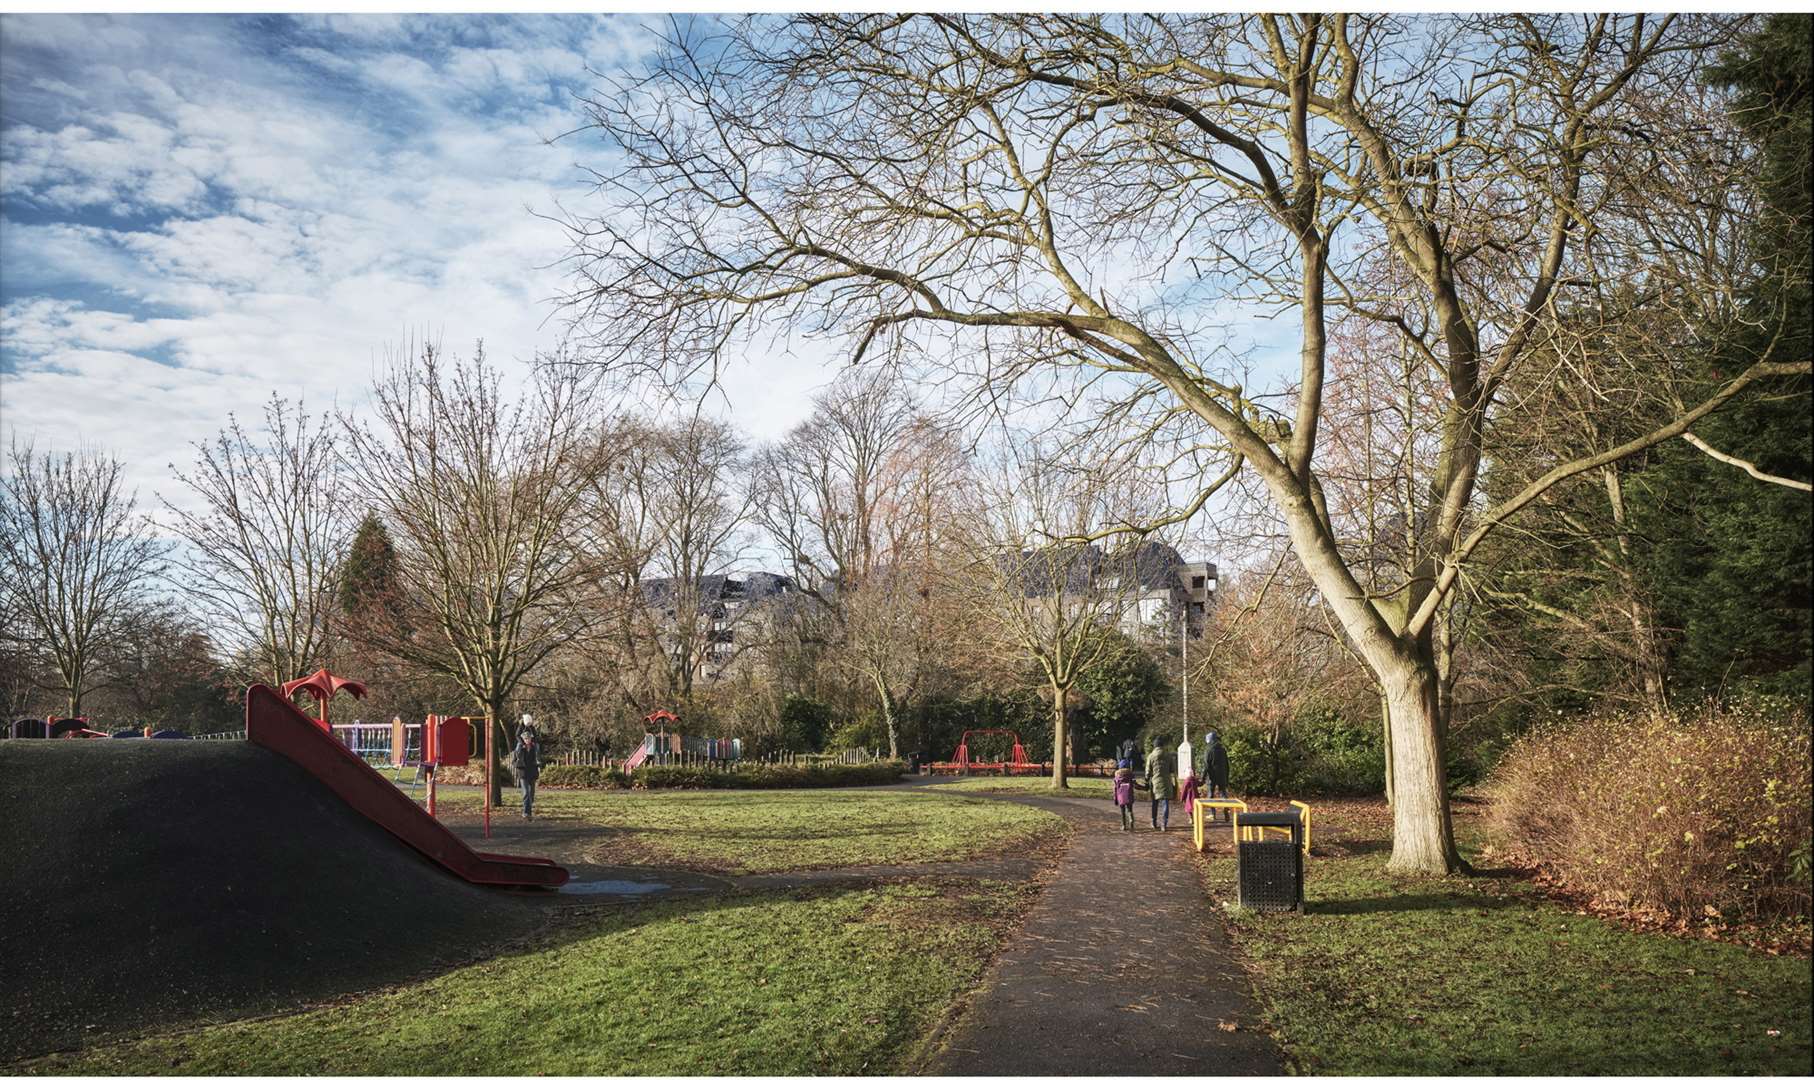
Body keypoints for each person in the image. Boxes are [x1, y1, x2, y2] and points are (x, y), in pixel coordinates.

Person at [508, 723, 542, 820]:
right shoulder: (519, 749)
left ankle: (528, 810)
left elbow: (535, 735)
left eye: (529, 738)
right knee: (526, 793)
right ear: (523, 739)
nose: (527, 740)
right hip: (523, 773)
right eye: (525, 739)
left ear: (531, 738)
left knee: (531, 795)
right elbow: (513, 762)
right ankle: (526, 813)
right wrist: (518, 765)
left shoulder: (535, 747)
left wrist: (529, 725)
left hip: (533, 773)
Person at [1144, 734, 1177, 831]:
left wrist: (1146, 779)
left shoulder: (1151, 756)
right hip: (1166, 782)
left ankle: (1154, 822)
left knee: (1155, 803)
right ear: (1162, 745)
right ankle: (1164, 823)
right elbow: (1172, 770)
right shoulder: (1169, 756)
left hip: (1155, 782)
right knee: (1165, 803)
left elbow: (1147, 771)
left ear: (1154, 746)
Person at [1200, 730, 1230, 822]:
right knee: (1223, 793)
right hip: (1222, 775)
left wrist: (1202, 778)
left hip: (1211, 777)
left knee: (1210, 795)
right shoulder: (1222, 749)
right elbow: (1226, 764)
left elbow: (1206, 766)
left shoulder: (1208, 750)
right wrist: (1227, 776)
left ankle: (1213, 814)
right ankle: (1226, 812)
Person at [1112, 754, 1137, 832]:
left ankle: (1123, 825)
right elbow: (1135, 784)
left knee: (1122, 811)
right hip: (1129, 794)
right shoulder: (1130, 774)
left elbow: (1115, 787)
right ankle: (1131, 820)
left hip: (1120, 795)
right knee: (1130, 809)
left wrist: (1115, 798)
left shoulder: (1117, 775)